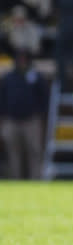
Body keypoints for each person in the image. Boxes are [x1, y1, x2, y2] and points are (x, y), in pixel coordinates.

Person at [0, 51, 48, 179]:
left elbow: (44, 98)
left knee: (35, 152)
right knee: (13, 153)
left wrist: (41, 116)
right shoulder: (8, 77)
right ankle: (16, 180)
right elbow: (2, 99)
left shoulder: (37, 77)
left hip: (31, 121)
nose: (22, 62)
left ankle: (36, 180)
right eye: (19, 59)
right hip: (12, 121)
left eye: (24, 59)